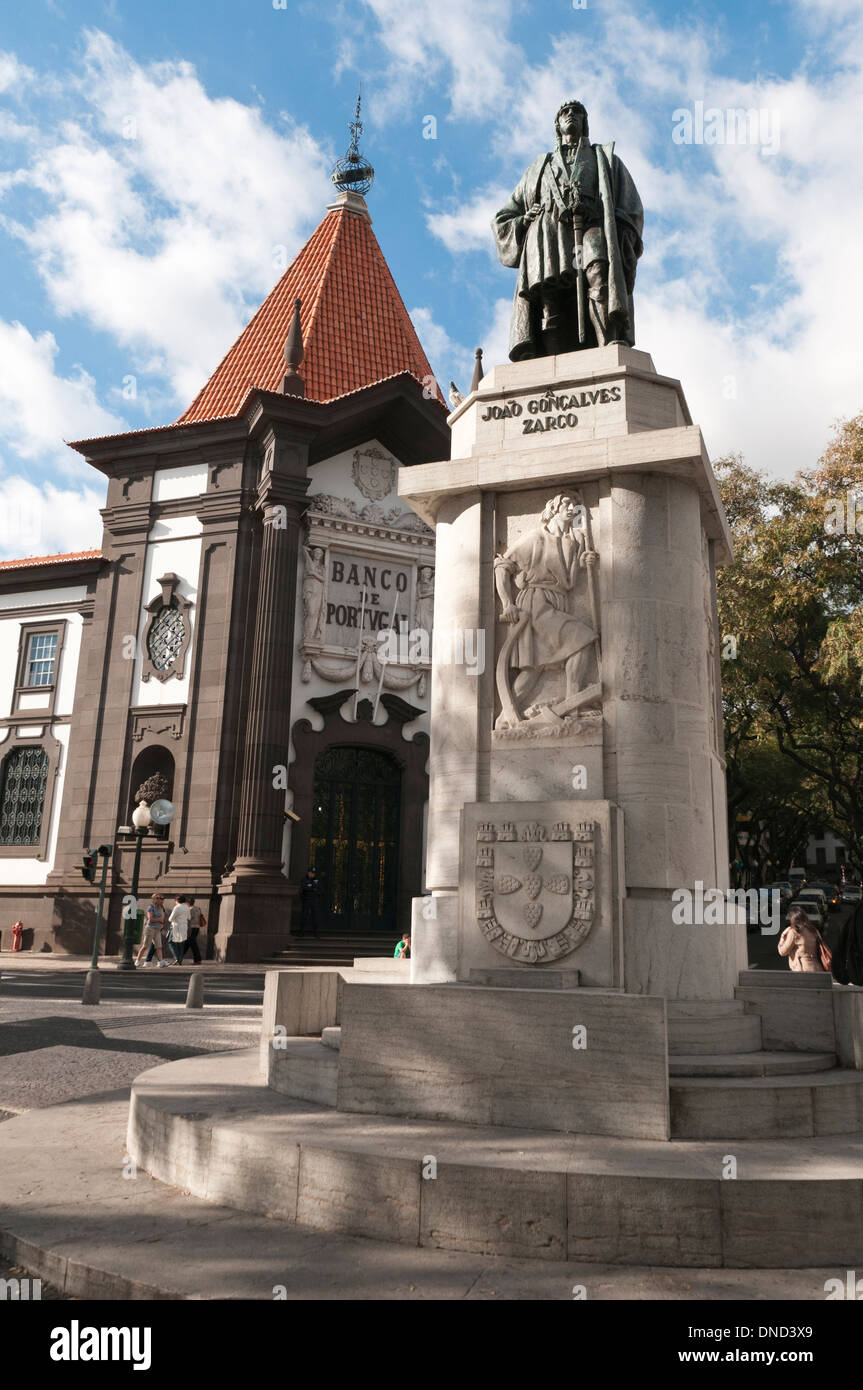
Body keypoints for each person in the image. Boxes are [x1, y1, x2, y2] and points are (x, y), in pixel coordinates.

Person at [492, 100, 643, 359]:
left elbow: (631, 208)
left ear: (585, 122)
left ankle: (607, 343)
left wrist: (619, 229)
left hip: (592, 227)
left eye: (577, 112)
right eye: (565, 112)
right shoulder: (539, 167)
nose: (571, 115)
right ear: (557, 124)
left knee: (598, 272)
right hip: (547, 234)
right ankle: (551, 359)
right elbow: (504, 216)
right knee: (549, 297)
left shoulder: (604, 159)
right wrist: (523, 221)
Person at [778, 905, 827, 973]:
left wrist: (782, 937)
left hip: (802, 971)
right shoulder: (813, 930)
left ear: (792, 919)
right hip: (818, 969)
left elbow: (782, 952)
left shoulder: (794, 932)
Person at [136, 895, 169, 968]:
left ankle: (161, 962)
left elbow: (162, 919)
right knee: (145, 946)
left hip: (157, 929)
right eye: (158, 898)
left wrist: (160, 920)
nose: (160, 900)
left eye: (161, 898)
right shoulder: (151, 907)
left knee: (159, 946)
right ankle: (137, 961)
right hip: (150, 928)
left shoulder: (161, 908)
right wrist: (159, 920)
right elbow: (150, 919)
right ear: (154, 899)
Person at [167, 895, 191, 964]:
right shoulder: (187, 907)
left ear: (177, 901)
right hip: (184, 926)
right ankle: (180, 959)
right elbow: (189, 917)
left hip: (176, 927)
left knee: (170, 941)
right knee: (181, 943)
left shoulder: (177, 907)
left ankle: (176, 957)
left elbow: (170, 919)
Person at [299, 868, 321, 938]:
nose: (312, 874)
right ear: (308, 873)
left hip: (314, 900)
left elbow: (319, 889)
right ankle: (302, 931)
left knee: (315, 917)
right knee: (304, 916)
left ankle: (316, 932)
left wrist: (310, 887)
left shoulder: (317, 880)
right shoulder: (304, 879)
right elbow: (304, 888)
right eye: (311, 873)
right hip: (306, 899)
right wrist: (312, 888)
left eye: (314, 873)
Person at [183, 897, 206, 964]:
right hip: (197, 927)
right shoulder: (198, 909)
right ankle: (179, 957)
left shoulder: (190, 909)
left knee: (192, 944)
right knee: (188, 943)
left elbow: (188, 918)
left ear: (188, 903)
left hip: (191, 928)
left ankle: (197, 960)